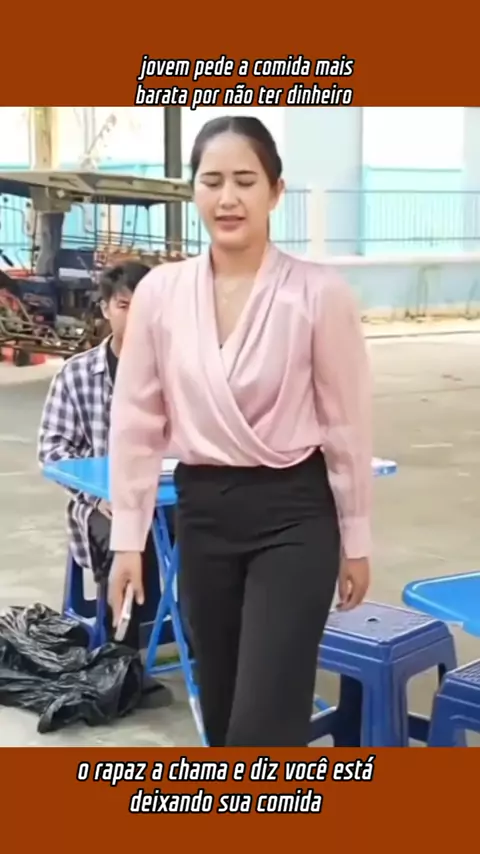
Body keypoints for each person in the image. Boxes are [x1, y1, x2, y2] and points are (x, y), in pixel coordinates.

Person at [107, 116, 372, 747]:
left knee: (264, 722)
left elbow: (346, 424)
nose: (228, 198)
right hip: (203, 515)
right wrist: (127, 538)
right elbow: (137, 421)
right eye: (213, 181)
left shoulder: (318, 294)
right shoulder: (161, 294)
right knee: (224, 715)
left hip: (293, 514)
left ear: (275, 191)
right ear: (193, 191)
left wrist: (356, 537)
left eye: (246, 181)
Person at [38, 261, 173, 709]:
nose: (135, 317)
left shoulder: (177, 372)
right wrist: (97, 496)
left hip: (171, 497)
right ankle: (123, 664)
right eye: (124, 305)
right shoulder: (76, 375)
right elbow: (52, 450)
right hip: (102, 505)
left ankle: (215, 649)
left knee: (218, 535)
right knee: (125, 539)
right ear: (105, 309)